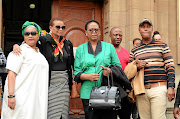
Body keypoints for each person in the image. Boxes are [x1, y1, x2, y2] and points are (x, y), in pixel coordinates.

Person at [13, 18, 74, 119]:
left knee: (64, 112)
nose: (61, 29)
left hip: (64, 82)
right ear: (50, 28)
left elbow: (71, 64)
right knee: (50, 112)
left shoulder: (67, 44)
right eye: (57, 27)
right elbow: (30, 43)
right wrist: (16, 45)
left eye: (63, 27)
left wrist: (73, 85)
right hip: (48, 81)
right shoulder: (43, 41)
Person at [74, 20, 121, 119]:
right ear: (86, 33)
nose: (94, 32)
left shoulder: (109, 47)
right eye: (91, 30)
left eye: (96, 30)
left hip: (107, 93)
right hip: (88, 92)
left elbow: (118, 67)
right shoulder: (80, 49)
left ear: (100, 32)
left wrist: (109, 71)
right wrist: (87, 76)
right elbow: (76, 72)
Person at [129, 18, 175, 119]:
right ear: (139, 30)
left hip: (158, 88)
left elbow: (170, 66)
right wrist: (137, 66)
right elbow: (129, 71)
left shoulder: (163, 46)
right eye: (143, 27)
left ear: (152, 29)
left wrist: (171, 86)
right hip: (141, 91)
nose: (145, 29)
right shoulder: (134, 50)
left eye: (148, 27)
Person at [1, 21, 49, 119]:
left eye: (33, 33)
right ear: (23, 36)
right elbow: (11, 74)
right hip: (20, 97)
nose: (30, 36)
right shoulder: (19, 51)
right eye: (27, 34)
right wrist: (11, 96)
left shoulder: (40, 54)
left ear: (38, 35)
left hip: (35, 98)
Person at [109, 27, 132, 119]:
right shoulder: (106, 50)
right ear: (110, 36)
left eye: (120, 35)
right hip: (111, 88)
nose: (118, 37)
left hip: (124, 89)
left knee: (125, 115)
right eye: (115, 35)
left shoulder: (126, 52)